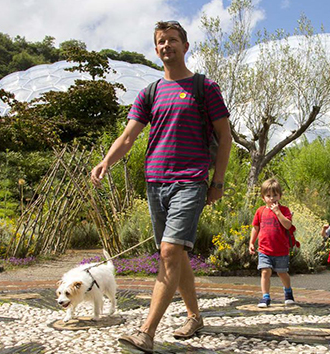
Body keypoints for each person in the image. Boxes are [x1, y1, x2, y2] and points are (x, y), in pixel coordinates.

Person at [90, 20, 231, 353]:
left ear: (185, 45)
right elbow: (128, 137)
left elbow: (224, 137)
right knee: (176, 254)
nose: (166, 46)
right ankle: (195, 316)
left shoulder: (204, 87)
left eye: (172, 40)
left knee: (169, 252)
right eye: (160, 42)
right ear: (156, 49)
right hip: (156, 182)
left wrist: (218, 180)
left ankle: (146, 332)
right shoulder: (150, 92)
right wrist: (106, 162)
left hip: (190, 181)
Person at [248, 178, 296, 308]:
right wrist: (251, 242)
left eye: (275, 195)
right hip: (264, 249)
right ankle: (265, 296)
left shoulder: (284, 210)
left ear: (280, 195)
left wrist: (278, 212)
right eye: (268, 196)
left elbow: (288, 225)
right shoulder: (260, 211)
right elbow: (255, 227)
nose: (272, 198)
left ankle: (288, 292)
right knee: (265, 272)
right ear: (263, 198)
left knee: (282, 273)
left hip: (281, 250)